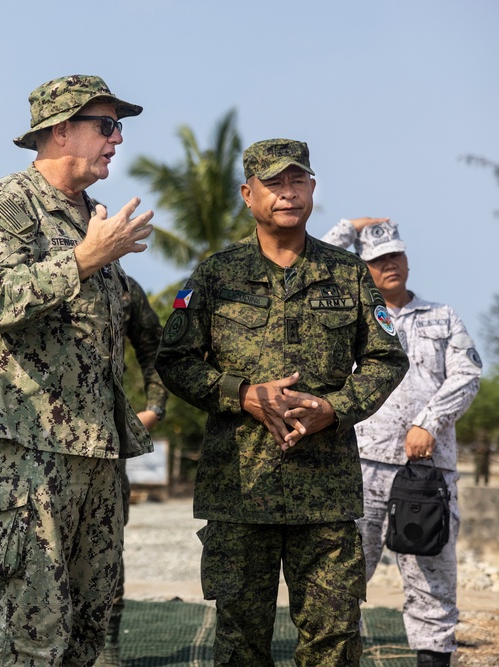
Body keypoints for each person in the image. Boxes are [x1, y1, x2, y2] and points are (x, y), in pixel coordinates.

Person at [155, 139, 409, 666]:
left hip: (326, 492)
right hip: (239, 490)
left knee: (333, 641)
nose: (287, 193)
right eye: (274, 183)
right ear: (248, 195)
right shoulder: (213, 275)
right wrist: (242, 395)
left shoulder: (348, 274)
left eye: (298, 181)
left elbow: (388, 360)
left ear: (313, 189)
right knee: (240, 643)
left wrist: (334, 408)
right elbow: (174, 360)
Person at [0, 74, 155, 666]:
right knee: (30, 636)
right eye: (107, 125)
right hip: (24, 451)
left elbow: (139, 328)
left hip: (95, 455)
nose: (118, 139)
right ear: (61, 130)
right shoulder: (4, 204)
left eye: (119, 126)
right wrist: (86, 258)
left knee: (88, 636)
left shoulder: (93, 217)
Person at [322, 217, 482, 667]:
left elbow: (467, 375)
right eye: (376, 259)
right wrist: (348, 226)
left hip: (426, 473)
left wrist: (429, 421)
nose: (389, 264)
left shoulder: (442, 316)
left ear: (407, 259)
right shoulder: (352, 317)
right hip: (361, 467)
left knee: (432, 581)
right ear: (363, 267)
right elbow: (319, 260)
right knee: (343, 580)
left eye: (395, 255)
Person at [96, 276, 167, 667]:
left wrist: (155, 409)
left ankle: (106, 647)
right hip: (38, 445)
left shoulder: (121, 284)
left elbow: (154, 348)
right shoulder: (33, 265)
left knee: (106, 550)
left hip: (105, 446)